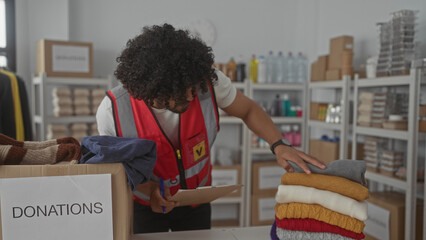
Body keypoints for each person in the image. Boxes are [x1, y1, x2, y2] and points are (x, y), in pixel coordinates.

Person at [96, 23, 326, 233]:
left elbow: (248, 110)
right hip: (146, 207)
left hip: (196, 203)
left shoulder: (207, 81)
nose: (191, 96)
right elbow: (118, 170)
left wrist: (279, 145)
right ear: (155, 92)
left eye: (192, 88)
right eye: (181, 93)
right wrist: (150, 191)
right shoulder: (113, 110)